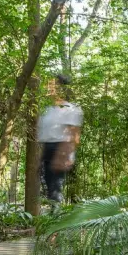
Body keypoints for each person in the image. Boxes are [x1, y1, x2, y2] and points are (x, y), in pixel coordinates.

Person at [37, 74, 83, 205]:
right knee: (50, 189)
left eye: (53, 85)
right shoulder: (47, 110)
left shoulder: (71, 109)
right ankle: (54, 219)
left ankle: (57, 220)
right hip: (47, 149)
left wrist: (63, 156)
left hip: (61, 149)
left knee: (55, 190)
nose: (49, 88)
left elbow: (74, 135)